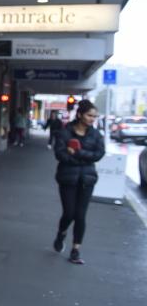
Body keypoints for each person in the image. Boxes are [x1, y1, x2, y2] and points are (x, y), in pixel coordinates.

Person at [52, 100, 105, 264]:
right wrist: (80, 157)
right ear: (80, 114)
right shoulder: (65, 132)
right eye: (89, 115)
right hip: (68, 178)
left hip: (87, 180)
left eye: (94, 116)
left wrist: (78, 152)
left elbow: (99, 154)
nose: (92, 119)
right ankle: (61, 233)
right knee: (69, 213)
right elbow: (60, 155)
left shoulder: (96, 135)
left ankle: (75, 250)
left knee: (80, 215)